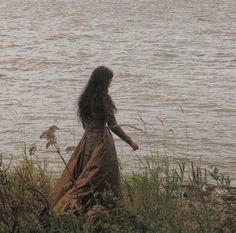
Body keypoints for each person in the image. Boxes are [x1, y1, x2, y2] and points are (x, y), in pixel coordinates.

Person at [51, 66, 139, 213]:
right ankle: (104, 210)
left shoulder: (84, 99)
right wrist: (130, 142)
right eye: (109, 81)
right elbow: (113, 125)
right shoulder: (104, 99)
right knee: (102, 178)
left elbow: (85, 125)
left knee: (85, 176)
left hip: (86, 143)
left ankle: (78, 209)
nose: (110, 84)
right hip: (101, 144)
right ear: (104, 82)